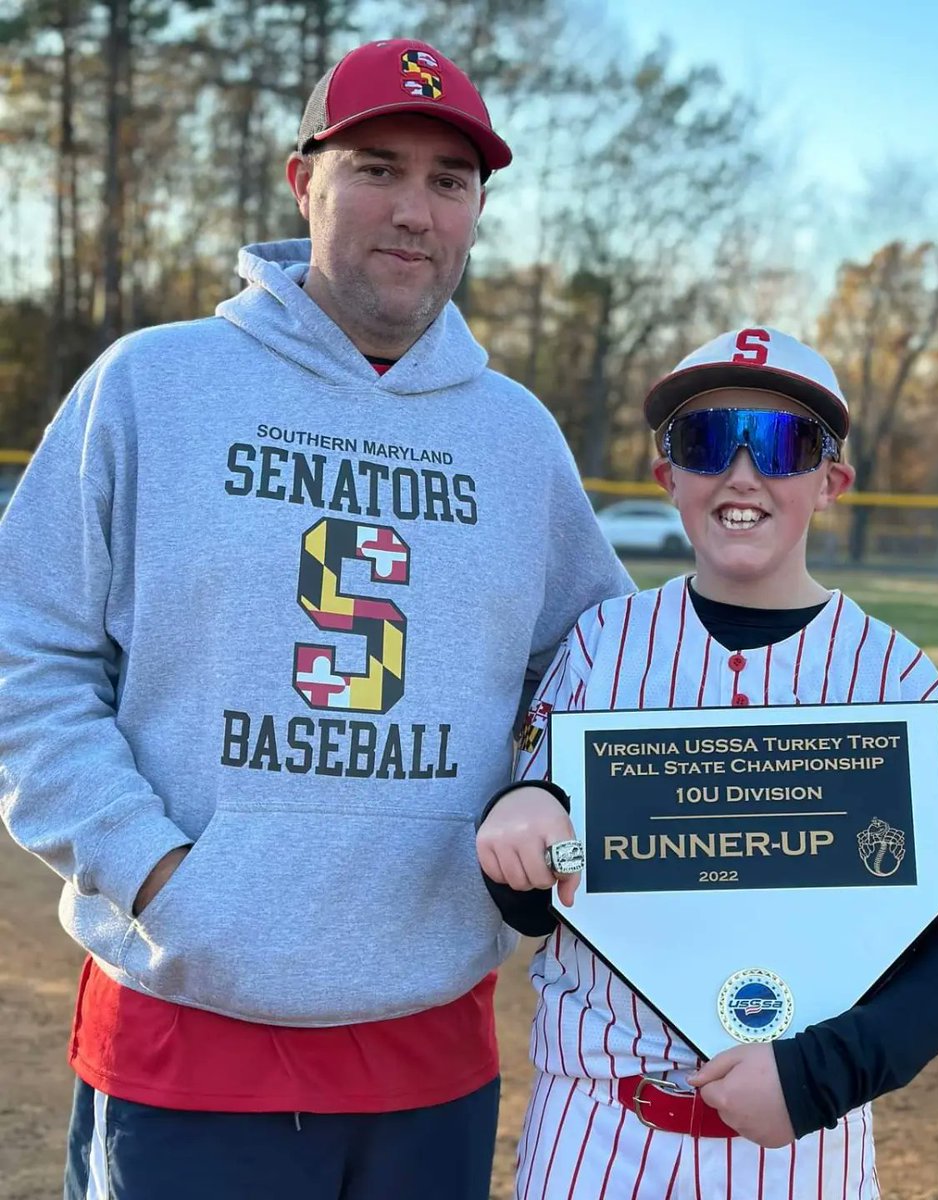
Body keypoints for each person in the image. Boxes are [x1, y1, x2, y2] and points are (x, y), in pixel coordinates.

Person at [0, 37, 631, 1200]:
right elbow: (25, 651)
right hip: (189, 1022)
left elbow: (599, 676)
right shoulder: (151, 386)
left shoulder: (515, 436)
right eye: (377, 169)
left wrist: (548, 792)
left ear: (477, 210)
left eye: (450, 181)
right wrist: (154, 871)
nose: (415, 210)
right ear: (303, 182)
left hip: (431, 1034)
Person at [476, 326, 938, 1198]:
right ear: (669, 476)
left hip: (805, 1146)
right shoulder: (603, 645)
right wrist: (518, 818)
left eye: (781, 444)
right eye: (706, 441)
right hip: (598, 1134)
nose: (741, 473)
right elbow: (541, 900)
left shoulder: (892, 675)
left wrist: (820, 1074)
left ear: (831, 481)